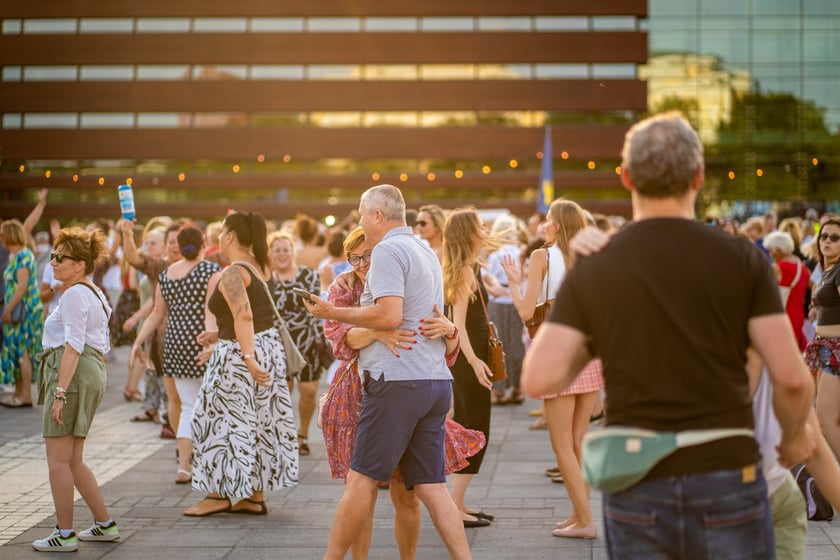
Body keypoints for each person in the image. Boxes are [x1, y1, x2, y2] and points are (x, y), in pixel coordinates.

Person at [523, 112, 815, 558]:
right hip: (726, 465)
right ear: (698, 176)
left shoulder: (599, 266)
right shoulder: (744, 258)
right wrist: (794, 438)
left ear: (626, 177)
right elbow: (793, 379)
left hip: (640, 475)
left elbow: (539, 377)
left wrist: (584, 287)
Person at [304, 185, 471, 559]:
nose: (361, 220)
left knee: (360, 480)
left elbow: (390, 315)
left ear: (378, 215)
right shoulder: (424, 250)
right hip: (433, 382)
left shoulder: (388, 250)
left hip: (397, 382)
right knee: (431, 487)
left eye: (363, 213)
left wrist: (331, 312)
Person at [502, 199, 604, 539]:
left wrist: (514, 283)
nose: (543, 225)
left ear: (557, 225)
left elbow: (526, 312)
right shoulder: (591, 255)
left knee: (562, 444)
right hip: (589, 351)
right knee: (580, 440)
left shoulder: (542, 256)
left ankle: (586, 520)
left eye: (547, 220)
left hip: (557, 351)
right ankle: (579, 513)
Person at [185, 212, 298, 516]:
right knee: (259, 421)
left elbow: (245, 314)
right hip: (265, 347)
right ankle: (253, 496)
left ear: (230, 236)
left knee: (216, 420)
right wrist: (219, 332)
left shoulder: (233, 272)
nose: (218, 238)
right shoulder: (261, 267)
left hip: (239, 355)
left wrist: (248, 357)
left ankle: (218, 494)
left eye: (222, 232)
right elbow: (253, 314)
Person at [31, 227, 120, 551]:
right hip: (88, 372)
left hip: (73, 372)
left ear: (80, 264)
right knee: (72, 460)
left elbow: (73, 345)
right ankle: (104, 525)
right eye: (53, 255)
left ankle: (65, 533)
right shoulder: (91, 291)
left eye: (60, 257)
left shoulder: (73, 295)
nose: (53, 261)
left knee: (58, 459)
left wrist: (59, 393)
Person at [130, 224, 221, 484]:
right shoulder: (211, 271)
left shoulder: (167, 273)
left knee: (187, 406)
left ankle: (184, 466)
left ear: (179, 246)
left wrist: (138, 341)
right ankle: (206, 460)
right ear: (204, 243)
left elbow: (156, 313)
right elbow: (210, 311)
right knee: (210, 405)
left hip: (173, 345)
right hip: (200, 341)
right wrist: (209, 343)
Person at [440, 208, 504, 528]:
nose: (485, 229)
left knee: (472, 425)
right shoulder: (465, 271)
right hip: (469, 358)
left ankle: (459, 502)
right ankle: (454, 504)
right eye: (480, 225)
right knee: (475, 429)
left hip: (468, 357)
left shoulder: (469, 267)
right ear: (468, 233)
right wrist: (475, 361)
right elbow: (458, 325)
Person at [266, 230, 331, 456]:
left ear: (293, 252)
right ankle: (284, 435)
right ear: (270, 254)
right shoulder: (266, 281)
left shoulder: (308, 275)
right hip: (278, 343)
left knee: (309, 390)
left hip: (307, 340)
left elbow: (319, 305)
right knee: (283, 391)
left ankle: (302, 434)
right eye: (277, 250)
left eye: (286, 249)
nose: (281, 254)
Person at [805, 218, 840, 459]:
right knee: (822, 418)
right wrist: (815, 307)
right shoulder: (827, 270)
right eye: (824, 236)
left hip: (836, 349)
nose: (827, 241)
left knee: (826, 421)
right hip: (823, 347)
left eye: (835, 238)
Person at [483, 214, 525, 405]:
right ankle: (518, 388)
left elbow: (488, 277)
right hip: (516, 299)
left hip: (498, 300)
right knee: (516, 344)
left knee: (498, 344)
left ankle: (498, 389)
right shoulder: (521, 252)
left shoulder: (495, 255)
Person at [1, 219, 43, 408]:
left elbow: (22, 287)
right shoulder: (17, 255)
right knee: (16, 349)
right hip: (19, 309)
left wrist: (7, 309)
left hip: (24, 310)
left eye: (2, 234)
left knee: (23, 350)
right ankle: (18, 393)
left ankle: (26, 395)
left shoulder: (24, 255)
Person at [765, 231, 810, 352]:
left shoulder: (777, 267)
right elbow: (810, 285)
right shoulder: (802, 267)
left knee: (779, 352)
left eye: (771, 250)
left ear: (779, 249)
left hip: (782, 313)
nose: (770, 254)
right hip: (798, 314)